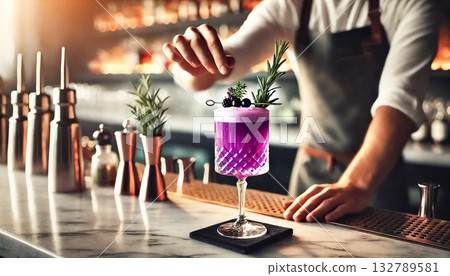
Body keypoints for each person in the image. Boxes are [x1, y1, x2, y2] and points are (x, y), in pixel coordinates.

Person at [162, 0, 438, 222]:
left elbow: (399, 99)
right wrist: (195, 63)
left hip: (375, 180)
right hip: (308, 178)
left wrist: (357, 184)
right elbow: (229, 60)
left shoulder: (412, 4)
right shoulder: (288, 6)